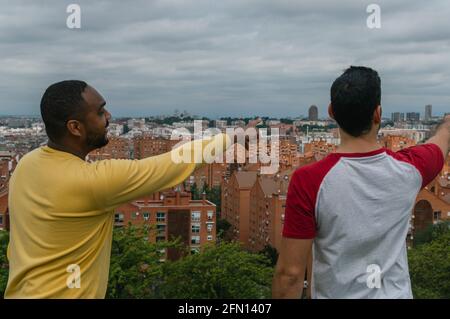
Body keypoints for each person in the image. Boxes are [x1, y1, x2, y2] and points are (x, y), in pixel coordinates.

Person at [5, 80, 232, 298]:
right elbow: (175, 164)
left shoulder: (27, 164)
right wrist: (232, 138)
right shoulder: (92, 182)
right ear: (75, 127)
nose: (109, 117)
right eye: (101, 112)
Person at [272, 66, 449, 299]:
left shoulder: (309, 181)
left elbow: (290, 275)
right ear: (378, 113)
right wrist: (446, 124)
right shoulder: (410, 169)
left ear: (331, 112)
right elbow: (441, 140)